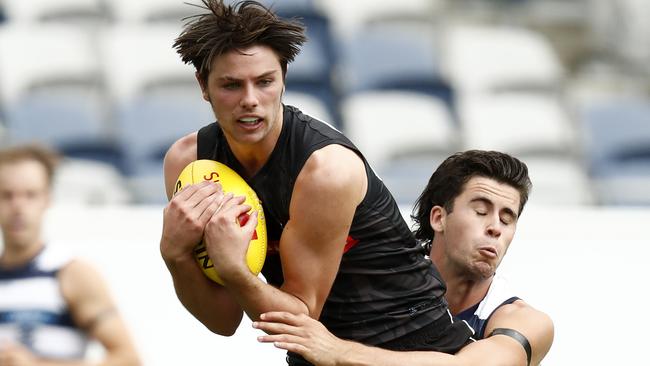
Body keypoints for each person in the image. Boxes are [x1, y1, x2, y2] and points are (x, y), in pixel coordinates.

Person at [159, 1, 473, 365]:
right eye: (231, 85)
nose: (250, 100)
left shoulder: (326, 169)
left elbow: (299, 316)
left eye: (264, 82)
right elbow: (224, 319)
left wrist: (235, 271)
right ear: (203, 84)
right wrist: (176, 255)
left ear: (284, 78)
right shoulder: (190, 164)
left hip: (409, 346)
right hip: (317, 354)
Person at [254, 150, 555, 366]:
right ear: (439, 218)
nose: (494, 228)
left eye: (507, 218)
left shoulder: (526, 321)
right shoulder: (372, 273)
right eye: (480, 211)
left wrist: (339, 352)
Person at [0, 145, 141, 366]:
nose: (18, 206)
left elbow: (128, 359)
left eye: (30, 195)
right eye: (7, 195)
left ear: (47, 199)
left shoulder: (70, 273)